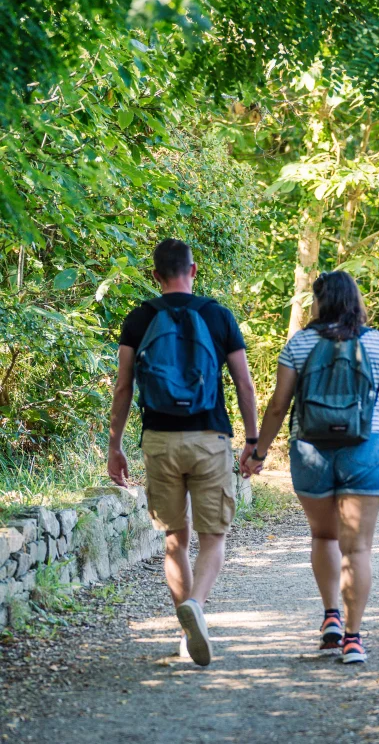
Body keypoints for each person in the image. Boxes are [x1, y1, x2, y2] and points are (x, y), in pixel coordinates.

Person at [241, 271, 379, 664]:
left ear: (319, 303)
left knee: (324, 537)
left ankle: (331, 620)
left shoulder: (300, 343)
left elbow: (278, 405)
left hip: (310, 449)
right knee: (356, 548)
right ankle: (354, 639)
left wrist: (258, 453)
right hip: (365, 448)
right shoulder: (377, 343)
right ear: (355, 301)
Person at [107, 238, 258, 666]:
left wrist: (115, 446)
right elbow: (244, 384)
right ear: (194, 270)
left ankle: (184, 626)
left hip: (158, 439)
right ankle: (198, 607)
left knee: (176, 539)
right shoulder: (217, 315)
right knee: (213, 538)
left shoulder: (138, 319)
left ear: (155, 275)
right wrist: (253, 442)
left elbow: (123, 386)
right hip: (210, 438)